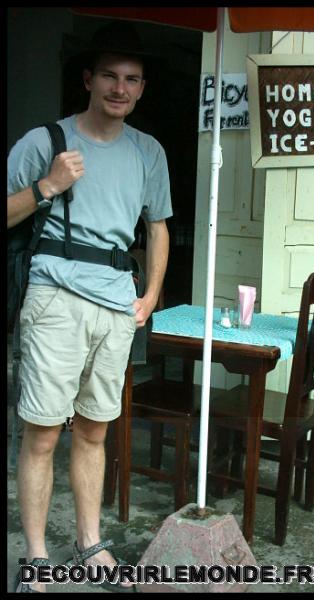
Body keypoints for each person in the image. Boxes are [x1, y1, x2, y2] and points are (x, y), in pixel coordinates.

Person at [7, 21, 172, 592]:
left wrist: (148, 295)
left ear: (142, 88)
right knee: (43, 433)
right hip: (54, 299)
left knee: (96, 433)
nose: (119, 88)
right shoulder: (44, 142)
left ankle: (89, 543)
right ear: (88, 79)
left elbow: (157, 227)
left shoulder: (148, 151)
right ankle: (34, 556)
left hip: (116, 306)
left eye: (131, 79)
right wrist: (48, 186)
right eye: (109, 75)